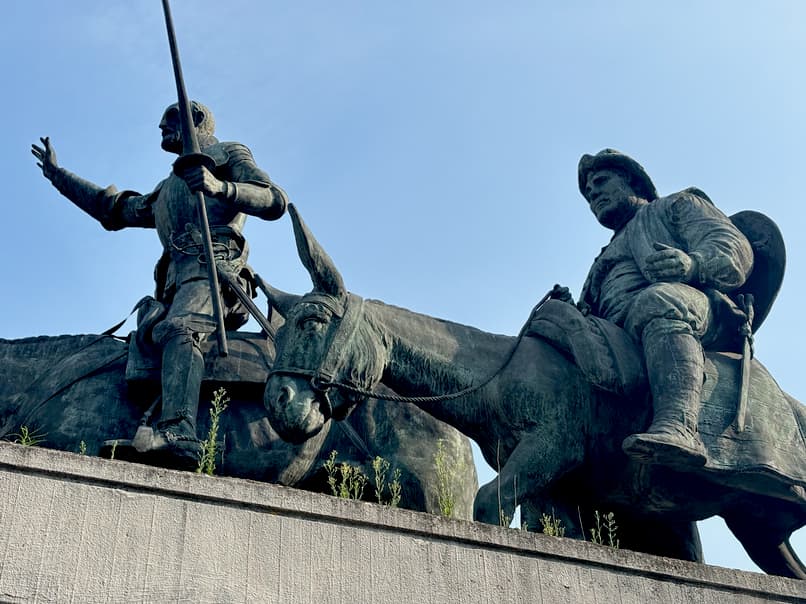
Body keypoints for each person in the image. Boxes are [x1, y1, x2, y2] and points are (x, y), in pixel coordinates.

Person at [31, 101, 288, 468]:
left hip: (214, 274)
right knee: (146, 341)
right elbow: (115, 209)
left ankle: (180, 431)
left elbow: (273, 199)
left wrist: (220, 187)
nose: (160, 127)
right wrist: (59, 177)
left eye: (169, 120)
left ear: (195, 120)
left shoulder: (228, 153)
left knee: (180, 329)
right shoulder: (168, 188)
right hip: (173, 284)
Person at [531, 149, 753, 468]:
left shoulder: (677, 205)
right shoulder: (603, 257)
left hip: (691, 307)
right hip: (622, 333)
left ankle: (680, 426)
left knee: (657, 299)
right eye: (588, 194)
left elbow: (734, 248)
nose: (593, 194)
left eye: (601, 182)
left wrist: (693, 264)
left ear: (632, 181)